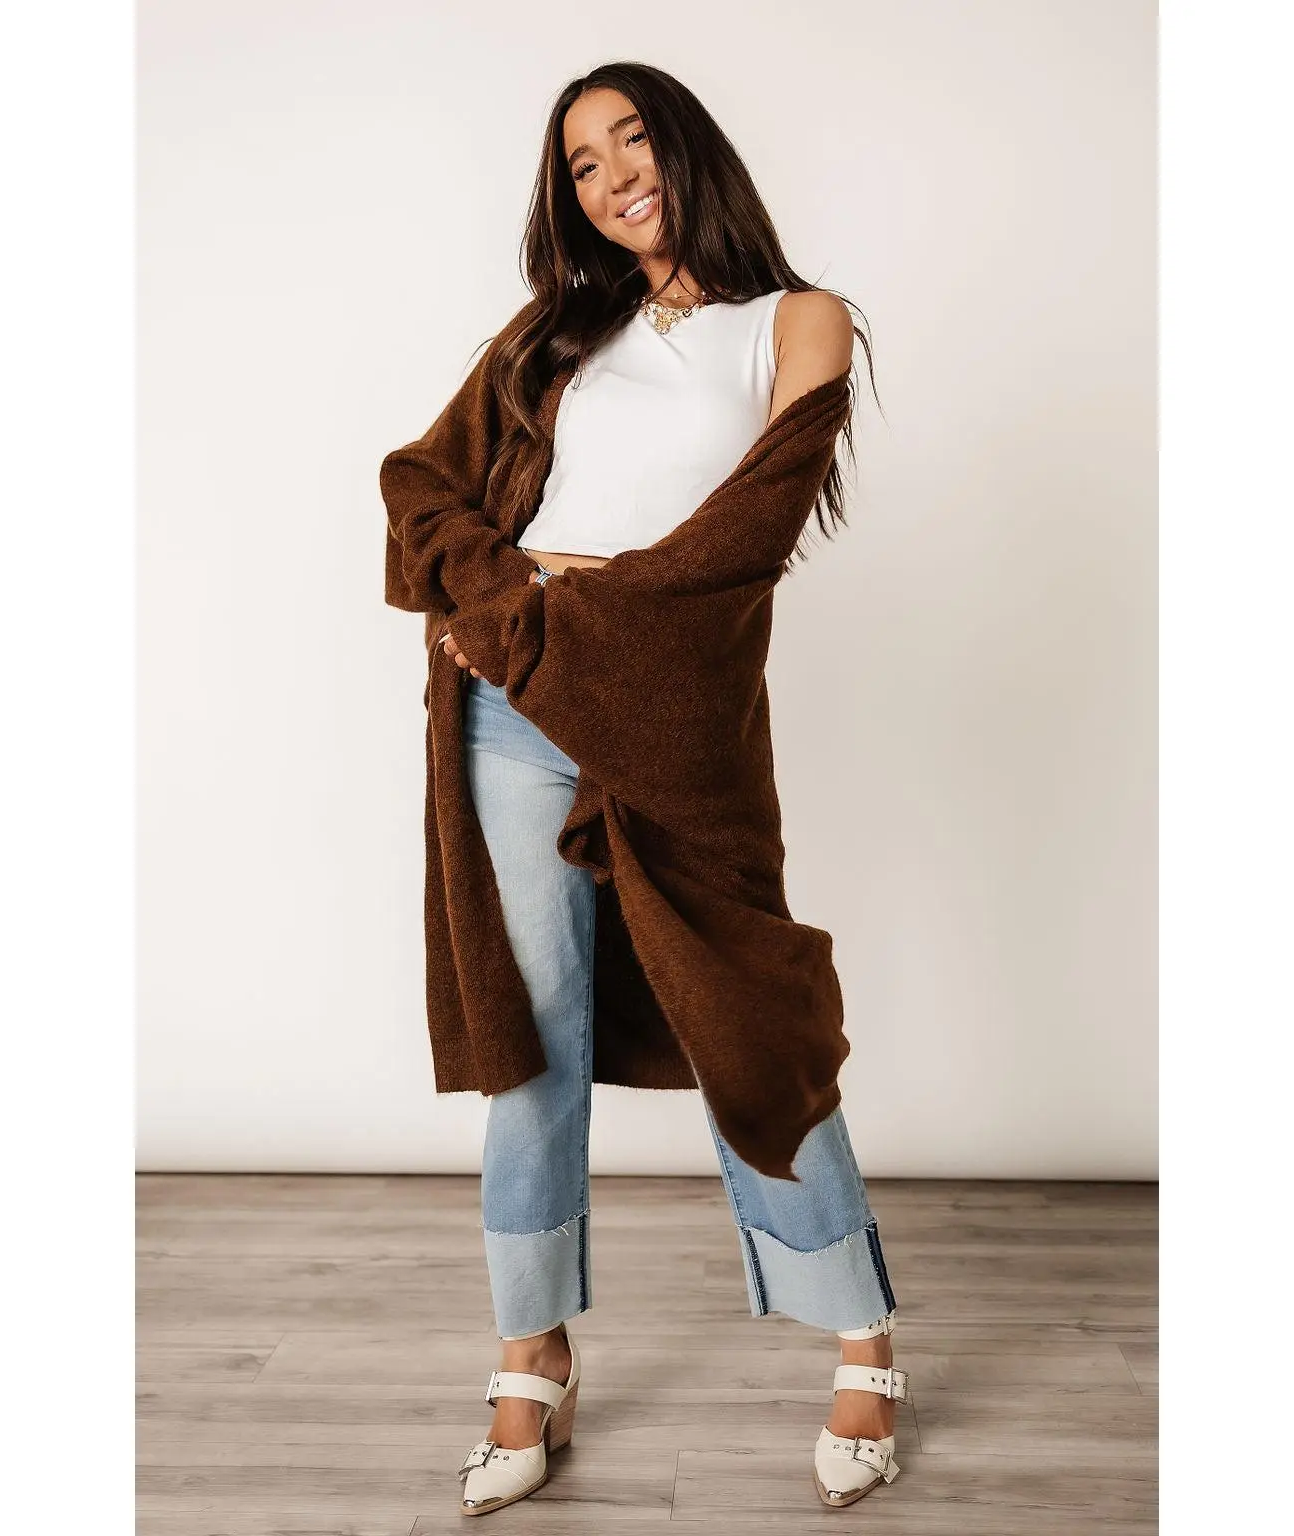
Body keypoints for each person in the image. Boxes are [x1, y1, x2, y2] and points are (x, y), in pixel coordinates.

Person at [407, 63, 906, 1515]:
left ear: (687, 148)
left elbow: (742, 541)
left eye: (633, 138)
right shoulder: (554, 337)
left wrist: (562, 614)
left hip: (680, 726)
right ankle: (531, 1358)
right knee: (530, 1040)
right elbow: (421, 484)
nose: (614, 173)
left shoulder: (798, 323)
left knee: (750, 1016)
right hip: (512, 714)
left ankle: (863, 1332)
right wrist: (501, 605)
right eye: (582, 163)